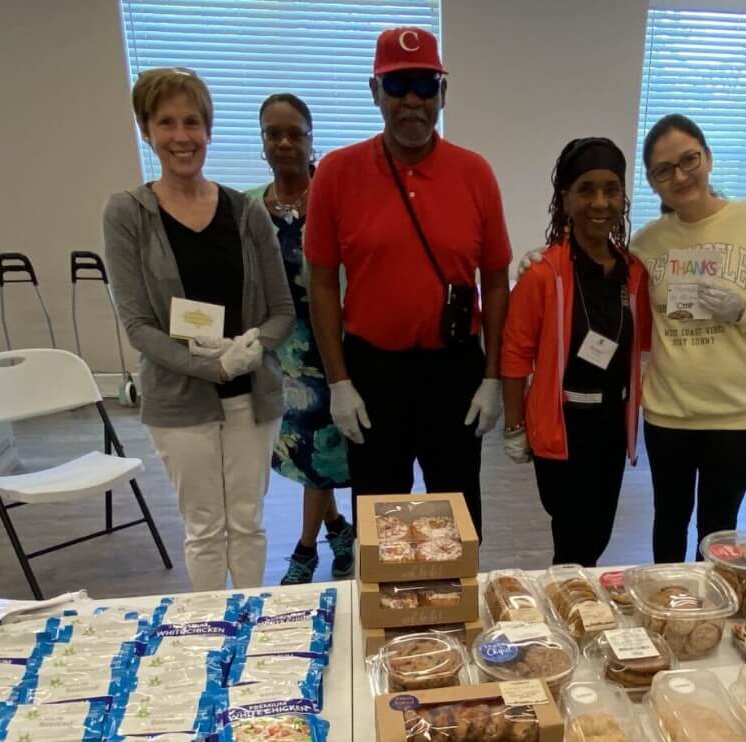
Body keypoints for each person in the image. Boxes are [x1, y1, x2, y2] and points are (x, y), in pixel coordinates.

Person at [304, 27, 512, 535]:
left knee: (459, 518)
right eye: (398, 87)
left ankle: (457, 609)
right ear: (375, 91)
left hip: (454, 372)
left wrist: (492, 379)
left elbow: (497, 279)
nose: (413, 101)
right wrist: (339, 382)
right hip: (374, 375)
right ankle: (385, 612)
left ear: (443, 90)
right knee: (381, 524)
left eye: (425, 84)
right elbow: (323, 284)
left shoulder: (475, 172)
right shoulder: (335, 173)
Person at [104, 68, 295, 591]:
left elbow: (282, 310)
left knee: (249, 522)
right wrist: (210, 365)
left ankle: (253, 622)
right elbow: (138, 325)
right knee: (205, 527)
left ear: (208, 129)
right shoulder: (127, 215)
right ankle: (211, 633)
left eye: (192, 121)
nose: (181, 136)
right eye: (166, 122)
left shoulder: (246, 212)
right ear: (147, 130)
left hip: (250, 396)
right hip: (178, 400)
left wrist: (254, 349)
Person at [631, 114, 746, 562]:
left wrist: (745, 308)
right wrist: (543, 257)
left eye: (688, 159)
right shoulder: (646, 244)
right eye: (663, 170)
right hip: (670, 414)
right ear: (653, 183)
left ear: (708, 158)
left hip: (739, 416)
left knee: (719, 530)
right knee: (668, 520)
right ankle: (667, 611)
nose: (680, 175)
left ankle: (711, 619)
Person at [501, 139, 651, 566]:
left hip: (611, 423)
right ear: (564, 199)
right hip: (562, 423)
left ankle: (576, 601)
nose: (600, 202)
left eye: (612, 189)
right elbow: (515, 355)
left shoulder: (634, 271)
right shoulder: (543, 274)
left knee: (598, 532)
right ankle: (571, 607)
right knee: (571, 535)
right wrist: (513, 428)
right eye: (586, 189)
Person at [245, 93, 355, 585]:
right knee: (311, 455)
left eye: (296, 133)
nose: (285, 142)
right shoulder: (248, 209)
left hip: (335, 346)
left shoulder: (335, 201)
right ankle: (336, 529)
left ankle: (306, 548)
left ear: (313, 142)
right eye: (274, 133)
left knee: (322, 452)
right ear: (264, 142)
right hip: (281, 354)